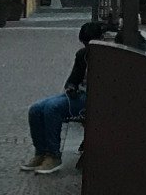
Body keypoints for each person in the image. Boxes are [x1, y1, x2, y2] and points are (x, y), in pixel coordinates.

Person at [22, 21, 103, 175]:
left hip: (90, 98)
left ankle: (53, 156)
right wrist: (71, 87)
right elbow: (73, 79)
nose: (87, 47)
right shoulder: (82, 55)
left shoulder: (106, 58)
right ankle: (41, 153)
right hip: (78, 95)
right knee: (35, 109)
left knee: (52, 108)